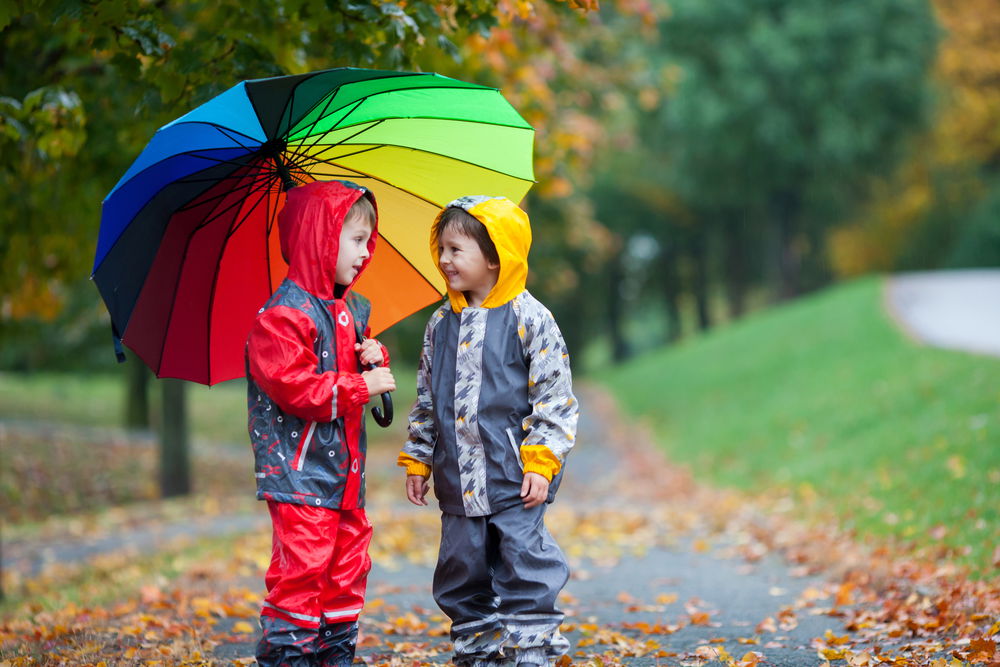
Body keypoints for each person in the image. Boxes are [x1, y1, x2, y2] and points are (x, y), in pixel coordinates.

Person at [398, 195, 579, 667]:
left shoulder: (530, 319)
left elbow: (555, 400)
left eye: (457, 250)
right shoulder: (440, 324)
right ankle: (478, 651)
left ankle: (532, 648)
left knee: (526, 563)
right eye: (441, 249)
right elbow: (426, 400)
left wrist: (542, 460)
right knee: (461, 570)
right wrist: (419, 456)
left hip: (514, 478)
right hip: (457, 480)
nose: (443, 260)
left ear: (496, 255)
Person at [246, 179, 396, 667]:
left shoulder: (352, 309)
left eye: (368, 240)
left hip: (346, 474)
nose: (366, 251)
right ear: (319, 238)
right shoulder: (282, 318)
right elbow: (296, 387)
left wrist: (371, 358)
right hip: (299, 472)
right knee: (304, 568)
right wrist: (358, 387)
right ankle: (289, 655)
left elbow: (353, 374)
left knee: (348, 565)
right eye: (355, 239)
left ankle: (335, 653)